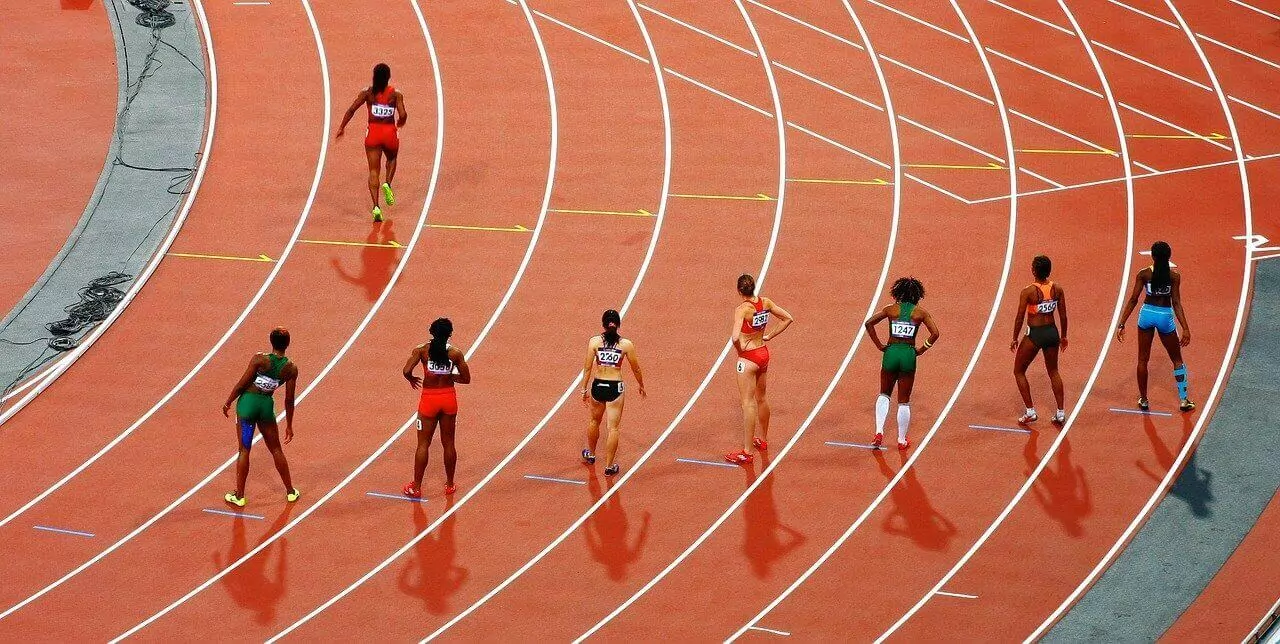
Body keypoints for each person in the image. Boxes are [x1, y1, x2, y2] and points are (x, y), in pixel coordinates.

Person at [221, 327, 300, 507]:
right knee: (276, 449)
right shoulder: (291, 369)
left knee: (244, 450)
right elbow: (289, 400)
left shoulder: (260, 359)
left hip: (247, 406)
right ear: (287, 344)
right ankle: (290, 491)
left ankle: (239, 496)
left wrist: (228, 401)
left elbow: (242, 384)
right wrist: (289, 424)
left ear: (271, 342)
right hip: (266, 407)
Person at [1115, 241, 1195, 412]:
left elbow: (1133, 299)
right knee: (1177, 359)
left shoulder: (1144, 274)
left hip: (1146, 315)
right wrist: (1185, 328)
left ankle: (1143, 399)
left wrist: (1121, 323)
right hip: (1165, 316)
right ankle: (1183, 400)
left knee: (1142, 360)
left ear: (1152, 256)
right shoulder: (1174, 277)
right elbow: (1176, 303)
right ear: (1169, 257)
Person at [864, 277, 940, 450]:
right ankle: (901, 440)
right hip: (908, 354)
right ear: (917, 295)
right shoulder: (920, 313)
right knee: (903, 401)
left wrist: (879, 345)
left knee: (884, 394)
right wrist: (922, 349)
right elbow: (935, 333)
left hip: (890, 352)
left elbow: (869, 323)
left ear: (897, 293)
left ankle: (879, 432)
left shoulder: (891, 309)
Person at [727, 274, 794, 465]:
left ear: (739, 291)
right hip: (763, 353)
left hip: (748, 357)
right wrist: (770, 335)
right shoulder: (765, 302)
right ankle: (762, 440)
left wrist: (741, 351)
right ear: (754, 288)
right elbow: (788, 318)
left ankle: (747, 453)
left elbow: (734, 337)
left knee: (747, 403)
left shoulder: (741, 310)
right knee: (762, 398)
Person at [402, 318, 471, 498]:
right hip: (448, 398)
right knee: (449, 443)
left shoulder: (422, 350)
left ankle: (416, 487)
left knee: (423, 444)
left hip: (429, 400)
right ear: (450, 334)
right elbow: (466, 378)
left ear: (431, 332)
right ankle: (449, 484)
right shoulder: (455, 353)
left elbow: (406, 370)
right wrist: (449, 376)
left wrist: (411, 378)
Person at [336, 63, 407, 222]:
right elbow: (402, 114)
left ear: (374, 76)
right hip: (389, 132)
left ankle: (376, 207)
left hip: (373, 134)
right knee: (392, 158)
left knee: (373, 171)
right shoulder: (396, 94)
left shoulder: (367, 93)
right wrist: (401, 122)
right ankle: (388, 183)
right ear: (388, 77)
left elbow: (351, 110)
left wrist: (342, 127)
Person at [581, 310, 646, 476]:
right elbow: (635, 367)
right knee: (613, 428)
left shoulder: (594, 342)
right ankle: (609, 467)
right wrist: (641, 385)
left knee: (594, 421)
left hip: (598, 385)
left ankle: (591, 454)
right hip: (615, 387)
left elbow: (588, 367)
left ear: (603, 324)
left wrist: (584, 388)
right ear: (618, 325)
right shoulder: (625, 345)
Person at [1011, 255, 1069, 425]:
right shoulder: (1057, 289)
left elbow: (1019, 317)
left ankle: (1030, 411)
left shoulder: (1028, 292)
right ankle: (1060, 413)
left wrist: (1014, 338)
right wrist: (1064, 336)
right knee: (1053, 371)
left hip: (1035, 334)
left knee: (1019, 370)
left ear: (1033, 270)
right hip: (1052, 332)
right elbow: (1063, 315)